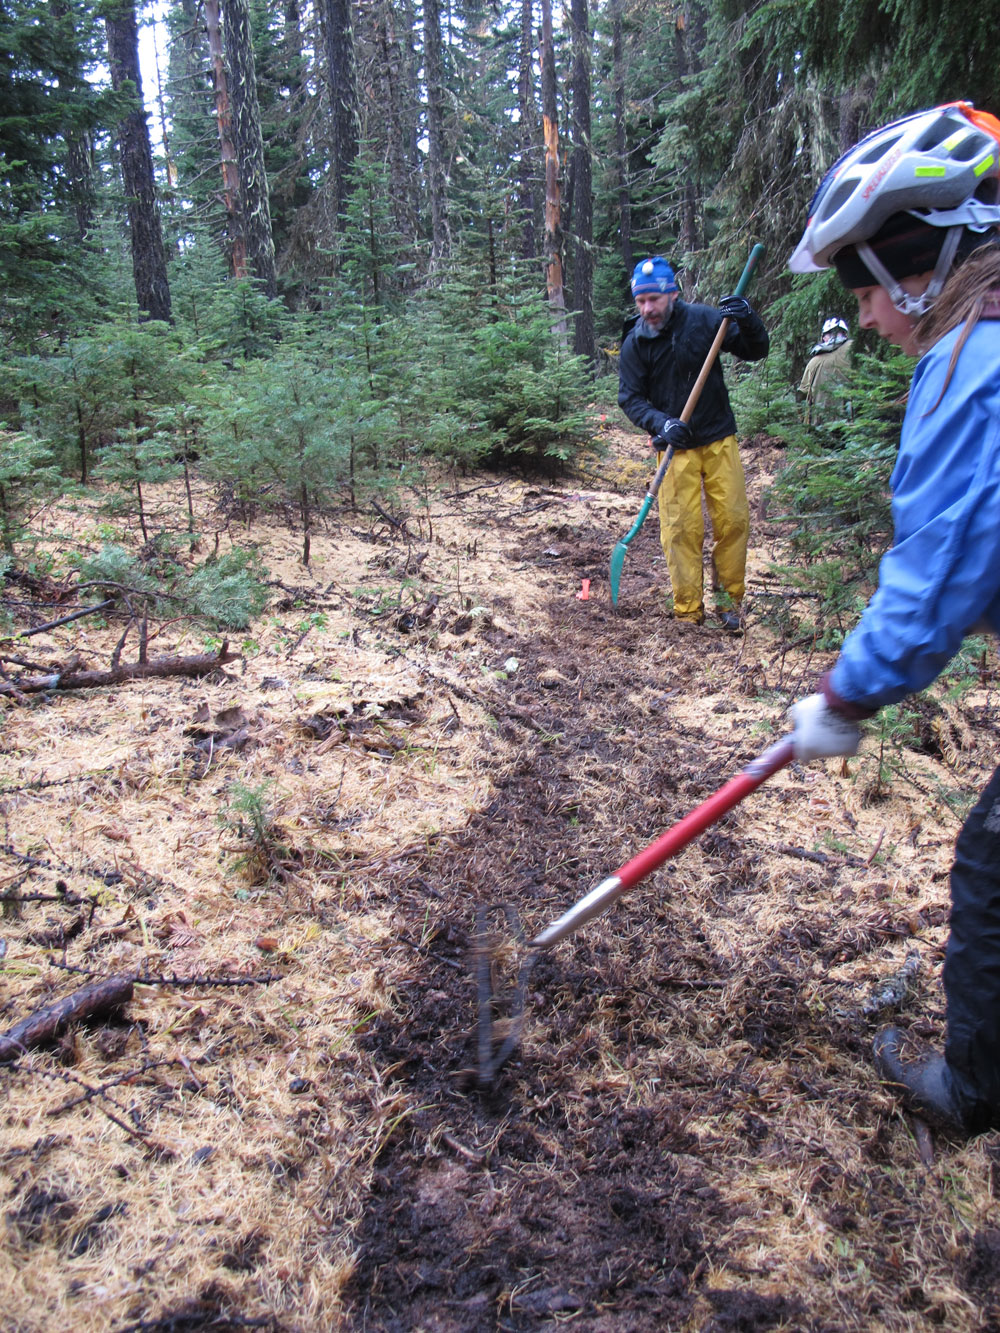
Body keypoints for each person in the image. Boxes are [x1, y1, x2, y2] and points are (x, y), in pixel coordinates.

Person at [786, 101, 1000, 1137]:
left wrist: (844, 694)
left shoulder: (972, 364)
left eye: (862, 287)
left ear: (921, 263)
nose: (864, 316)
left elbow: (935, 583)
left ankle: (972, 1089)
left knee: (991, 865)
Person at [617, 256, 770, 631]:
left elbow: (755, 349)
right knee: (681, 530)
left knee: (733, 521)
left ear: (672, 293)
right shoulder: (636, 342)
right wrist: (661, 422)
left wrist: (747, 318)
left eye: (654, 299)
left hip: (718, 437)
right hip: (674, 449)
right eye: (641, 301)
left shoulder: (705, 321)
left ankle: (729, 604)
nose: (647, 309)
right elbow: (630, 398)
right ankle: (688, 612)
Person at [798, 317, 854, 425]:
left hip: (819, 425)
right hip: (850, 425)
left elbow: (802, 394)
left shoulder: (814, 362)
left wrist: (802, 420)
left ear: (824, 338)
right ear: (845, 335)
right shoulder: (854, 350)